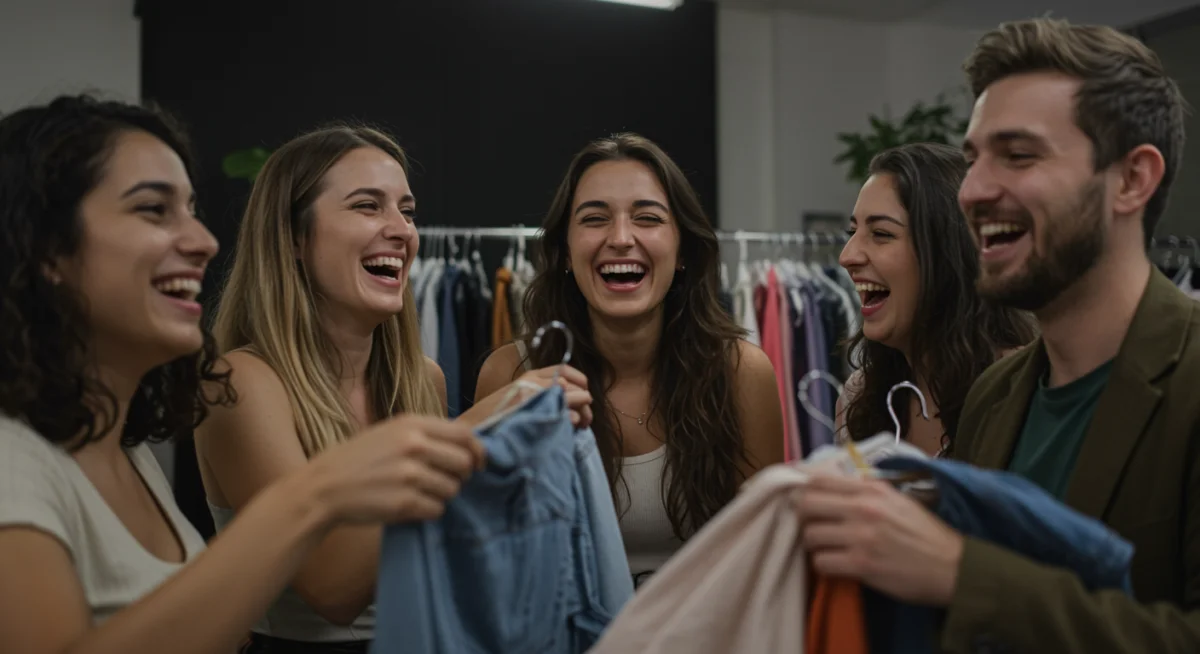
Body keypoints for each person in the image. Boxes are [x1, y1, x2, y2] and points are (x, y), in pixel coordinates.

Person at [0, 95, 484, 654]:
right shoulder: (16, 460)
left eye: (407, 210)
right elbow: (324, 591)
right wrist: (324, 492)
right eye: (154, 209)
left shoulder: (122, 451)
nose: (204, 241)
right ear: (47, 252)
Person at [797, 17, 1200, 652]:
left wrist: (960, 576)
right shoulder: (996, 396)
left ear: (1131, 179)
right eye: (973, 160)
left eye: (1018, 155)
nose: (975, 191)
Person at [196, 124, 593, 652]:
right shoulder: (240, 384)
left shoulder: (422, 380)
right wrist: (477, 429)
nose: (402, 230)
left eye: (406, 211)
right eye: (368, 206)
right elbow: (330, 588)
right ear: (293, 236)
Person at [475, 133, 784, 586]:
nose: (621, 239)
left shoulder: (741, 374)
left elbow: (765, 562)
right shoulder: (511, 374)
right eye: (595, 219)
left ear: (681, 251)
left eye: (647, 218)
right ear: (563, 251)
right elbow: (489, 559)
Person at [835, 142, 1036, 456]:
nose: (847, 257)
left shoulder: (1025, 391)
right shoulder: (859, 398)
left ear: (948, 252)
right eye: (852, 232)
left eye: (881, 234)